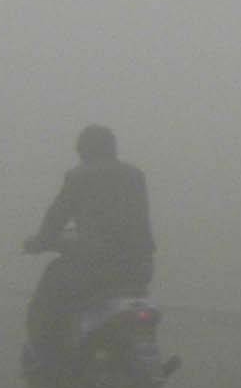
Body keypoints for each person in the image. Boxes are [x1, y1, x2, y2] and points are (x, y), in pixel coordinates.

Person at [24, 124, 156, 372]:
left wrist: (40, 241)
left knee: (50, 296)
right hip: (140, 266)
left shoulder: (79, 176)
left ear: (85, 150)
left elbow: (57, 216)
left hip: (95, 267)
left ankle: (51, 358)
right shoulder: (135, 175)